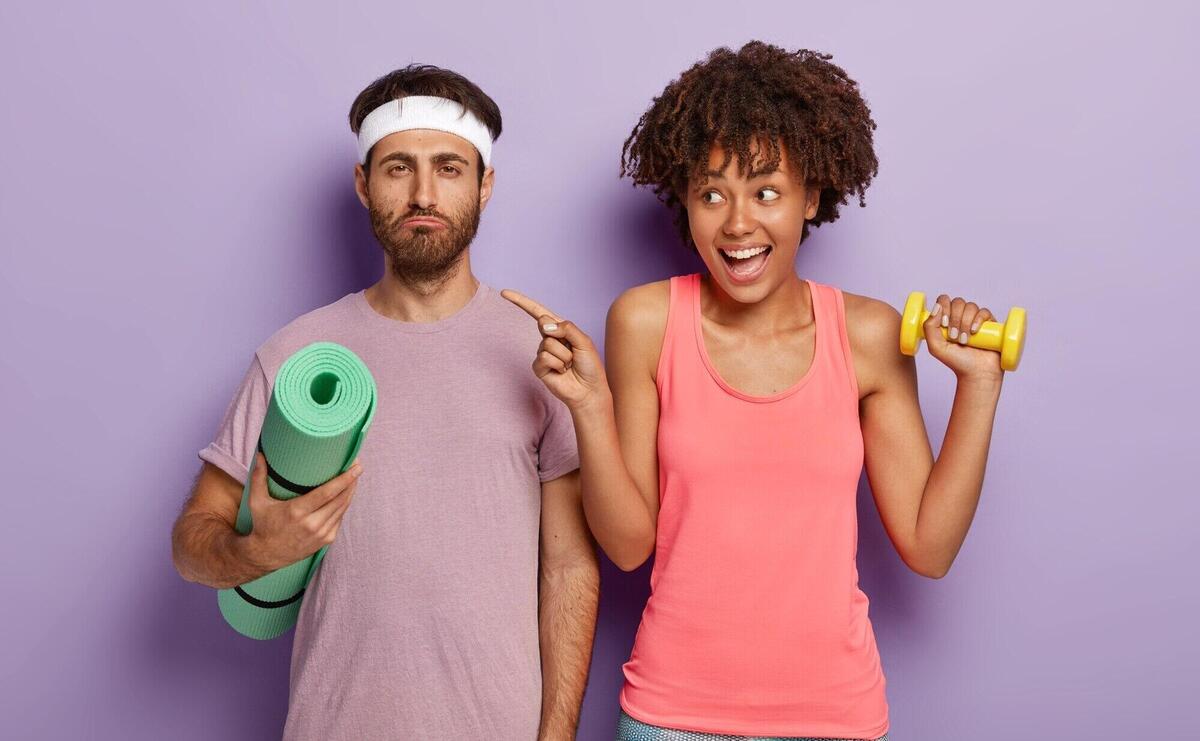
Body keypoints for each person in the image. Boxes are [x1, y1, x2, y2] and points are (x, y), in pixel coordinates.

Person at [504, 42, 1009, 741]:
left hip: (835, 719)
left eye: (766, 191)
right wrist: (589, 407)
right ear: (685, 200)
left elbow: (929, 546)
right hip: (671, 718)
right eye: (713, 193)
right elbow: (626, 546)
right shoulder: (646, 321)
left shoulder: (868, 334)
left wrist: (979, 385)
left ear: (812, 195)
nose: (737, 223)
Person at [172, 64, 598, 741]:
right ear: (364, 183)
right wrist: (255, 551)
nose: (423, 192)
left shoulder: (539, 356)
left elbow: (570, 565)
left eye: (450, 168)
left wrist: (557, 735)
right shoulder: (298, 355)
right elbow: (192, 544)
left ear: (485, 186)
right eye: (399, 167)